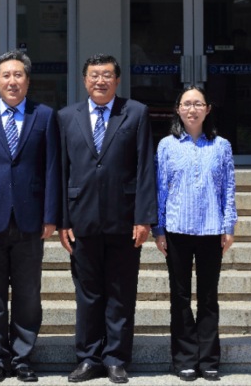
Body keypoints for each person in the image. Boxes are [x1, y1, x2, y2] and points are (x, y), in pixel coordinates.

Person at [0, 50, 61, 384]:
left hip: (30, 218)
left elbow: (51, 168)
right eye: (6, 75)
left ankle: (22, 358)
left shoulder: (44, 115)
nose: (12, 81)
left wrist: (51, 214)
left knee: (28, 294)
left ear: (28, 81)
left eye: (18, 75)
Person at [58, 53, 157, 384]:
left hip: (124, 219)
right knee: (88, 294)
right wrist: (62, 220)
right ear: (84, 80)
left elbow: (145, 167)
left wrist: (144, 217)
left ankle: (115, 358)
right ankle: (89, 357)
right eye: (94, 75)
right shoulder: (66, 117)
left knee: (121, 291)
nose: (100, 81)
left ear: (117, 80)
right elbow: (61, 171)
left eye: (107, 75)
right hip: (81, 218)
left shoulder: (136, 112)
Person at [153, 86, 237, 382]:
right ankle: (185, 359)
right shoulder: (166, 145)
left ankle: (209, 359)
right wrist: (158, 228)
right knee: (180, 297)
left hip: (211, 229)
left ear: (208, 109)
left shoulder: (221, 146)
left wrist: (229, 226)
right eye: (186, 104)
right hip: (176, 229)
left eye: (198, 104)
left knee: (208, 297)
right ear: (178, 109)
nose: (192, 109)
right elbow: (160, 188)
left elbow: (228, 188)